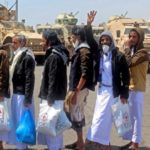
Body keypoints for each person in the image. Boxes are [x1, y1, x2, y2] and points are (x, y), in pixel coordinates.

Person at [85, 11, 130, 150]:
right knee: (98, 117)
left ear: (111, 41)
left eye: (107, 40)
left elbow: (126, 76)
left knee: (107, 119)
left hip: (113, 91)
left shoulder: (118, 56)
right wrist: (89, 24)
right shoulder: (98, 54)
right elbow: (90, 40)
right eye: (102, 40)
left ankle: (103, 143)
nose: (104, 42)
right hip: (101, 90)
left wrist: (124, 94)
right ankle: (102, 142)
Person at [64, 24, 95, 150]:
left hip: (79, 89)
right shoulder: (79, 49)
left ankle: (80, 144)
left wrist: (76, 91)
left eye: (73, 36)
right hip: (77, 88)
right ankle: (79, 141)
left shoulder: (84, 50)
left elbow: (85, 73)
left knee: (76, 114)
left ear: (78, 36)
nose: (71, 38)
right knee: (76, 113)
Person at [38, 30, 69, 150]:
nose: (41, 43)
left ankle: (54, 147)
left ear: (49, 41)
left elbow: (53, 78)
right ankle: (56, 147)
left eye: (42, 40)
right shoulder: (57, 54)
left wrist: (50, 97)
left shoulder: (54, 56)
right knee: (55, 125)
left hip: (53, 97)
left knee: (51, 124)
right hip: (56, 96)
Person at [120, 28, 149, 150]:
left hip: (137, 89)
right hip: (129, 88)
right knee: (129, 116)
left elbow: (129, 63)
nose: (131, 39)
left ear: (140, 38)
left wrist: (126, 49)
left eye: (134, 37)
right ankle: (132, 141)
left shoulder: (142, 53)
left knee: (137, 117)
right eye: (130, 36)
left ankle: (136, 144)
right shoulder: (132, 50)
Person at [8, 34, 35, 149]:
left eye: (15, 43)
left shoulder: (27, 57)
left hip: (23, 96)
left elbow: (29, 78)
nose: (13, 45)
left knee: (22, 122)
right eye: (13, 42)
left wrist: (28, 98)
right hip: (17, 94)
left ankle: (21, 147)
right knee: (17, 121)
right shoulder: (17, 56)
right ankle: (21, 145)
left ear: (22, 43)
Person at [0, 49, 10, 150]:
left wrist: (2, 92)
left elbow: (4, 74)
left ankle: (0, 144)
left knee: (0, 118)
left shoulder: (2, 55)